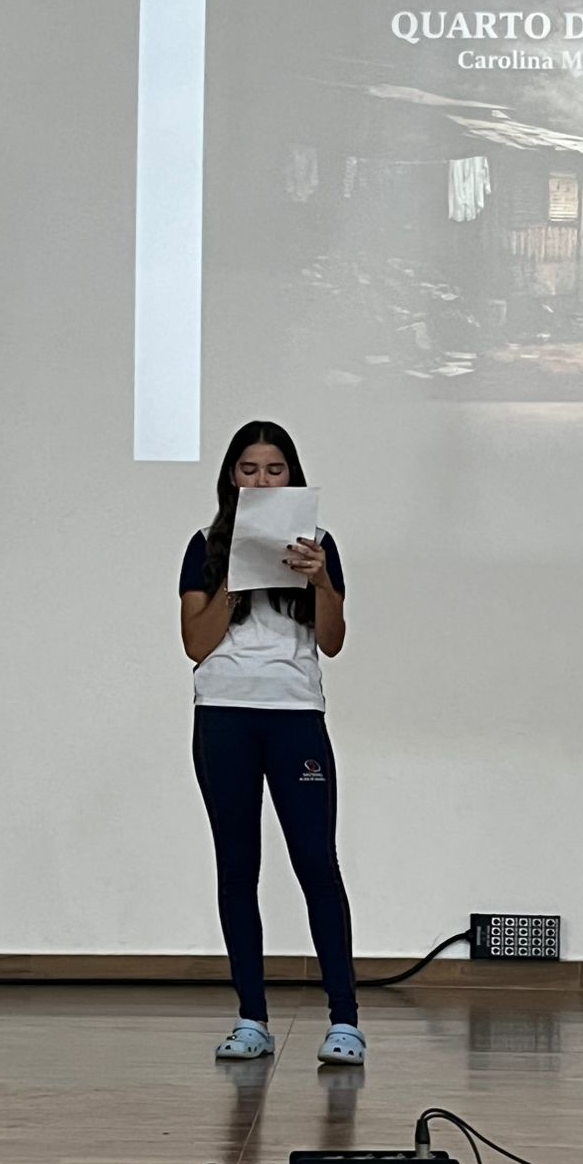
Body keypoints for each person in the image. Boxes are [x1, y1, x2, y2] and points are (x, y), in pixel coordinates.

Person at [178, 421, 364, 1066]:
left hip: (294, 714)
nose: (261, 480)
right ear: (232, 477)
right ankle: (251, 1018)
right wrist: (236, 575)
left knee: (316, 862)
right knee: (238, 867)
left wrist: (321, 581)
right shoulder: (204, 546)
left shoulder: (319, 545)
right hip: (223, 713)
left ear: (293, 477)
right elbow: (195, 644)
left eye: (275, 469)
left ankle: (345, 1021)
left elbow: (332, 642)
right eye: (249, 469)